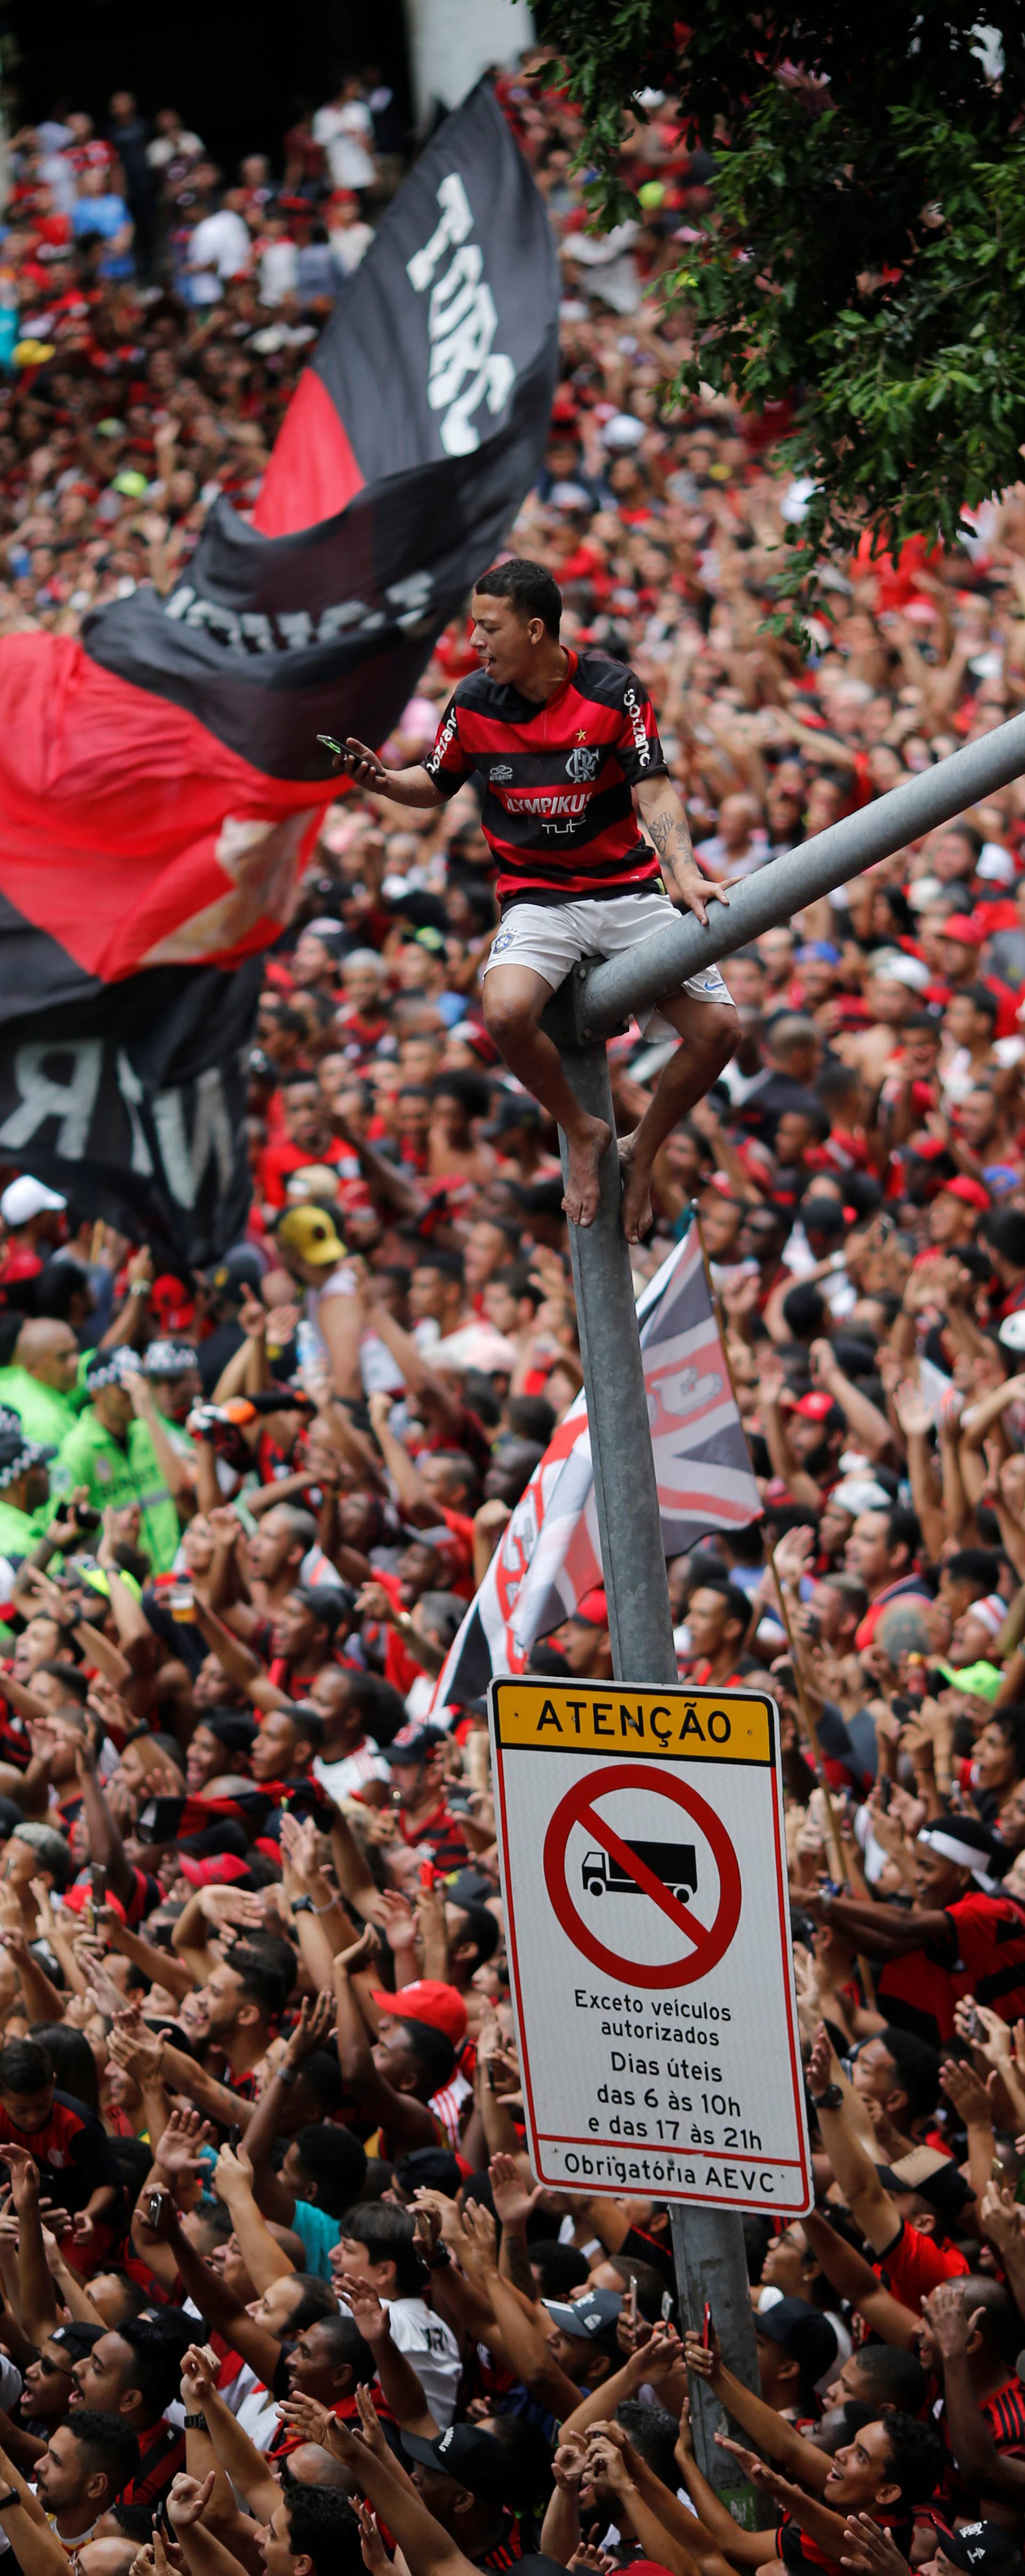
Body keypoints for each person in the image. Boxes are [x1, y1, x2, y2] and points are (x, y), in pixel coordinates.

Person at [334, 558, 739, 1238]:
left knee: (719, 1032)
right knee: (505, 1011)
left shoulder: (615, 691)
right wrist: (379, 782)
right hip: (538, 900)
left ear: (534, 629)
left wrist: (684, 870)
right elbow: (434, 783)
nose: (473, 642)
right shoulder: (470, 702)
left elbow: (655, 788)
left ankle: (642, 1150)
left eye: (487, 628)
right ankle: (584, 1132)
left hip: (627, 890)